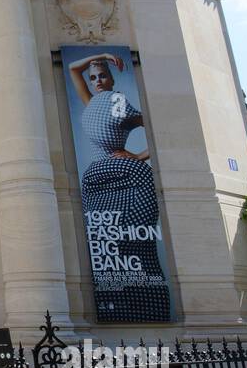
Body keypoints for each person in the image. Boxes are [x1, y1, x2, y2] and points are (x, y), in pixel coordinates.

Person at [67, 51, 170, 322]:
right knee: (103, 245)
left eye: (102, 75)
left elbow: (158, 124)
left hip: (129, 177)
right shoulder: (89, 102)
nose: (97, 80)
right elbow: (71, 67)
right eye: (93, 77)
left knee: (132, 245)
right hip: (96, 180)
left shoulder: (116, 101)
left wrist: (137, 156)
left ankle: (147, 307)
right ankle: (122, 305)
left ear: (112, 79)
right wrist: (101, 55)